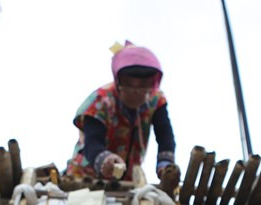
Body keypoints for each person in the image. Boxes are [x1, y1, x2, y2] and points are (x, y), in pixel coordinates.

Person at [65, 42, 180, 191]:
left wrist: (165, 165)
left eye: (142, 86)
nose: (135, 92)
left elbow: (165, 135)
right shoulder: (100, 101)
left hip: (127, 180)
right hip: (86, 178)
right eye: (129, 85)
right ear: (118, 81)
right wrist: (105, 159)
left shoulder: (156, 101)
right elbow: (92, 142)